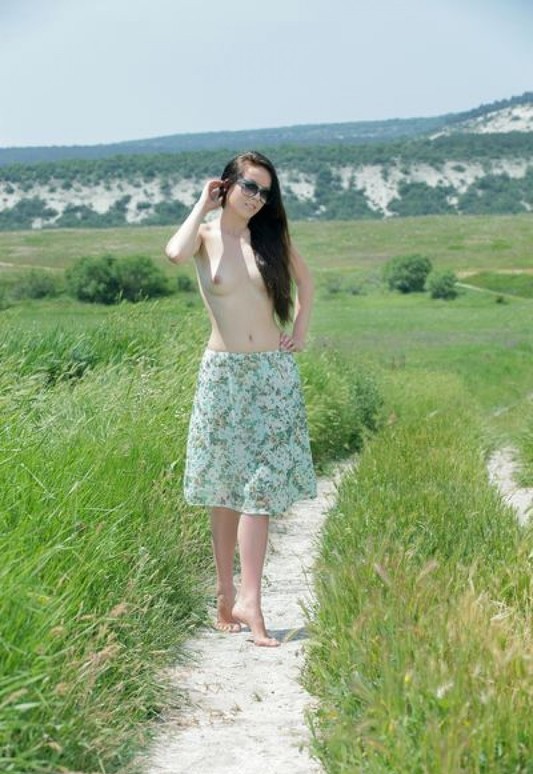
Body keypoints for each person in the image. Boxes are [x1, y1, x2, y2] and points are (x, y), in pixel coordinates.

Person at [165, 151, 316, 647]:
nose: (257, 198)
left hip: (272, 374)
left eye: (265, 192)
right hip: (223, 375)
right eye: (249, 186)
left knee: (261, 486)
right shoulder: (206, 238)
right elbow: (174, 253)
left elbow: (307, 283)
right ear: (226, 185)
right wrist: (202, 204)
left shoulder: (270, 240)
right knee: (224, 485)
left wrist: (299, 332)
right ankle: (225, 592)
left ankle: (251, 599)